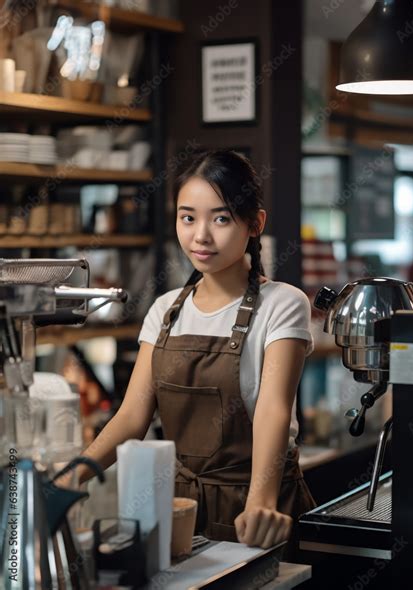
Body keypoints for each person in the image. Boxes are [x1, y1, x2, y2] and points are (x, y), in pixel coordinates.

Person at [73, 149, 316, 556]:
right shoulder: (166, 310)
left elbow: (273, 410)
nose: (201, 235)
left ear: (255, 224)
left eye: (220, 218)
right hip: (180, 507)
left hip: (258, 509)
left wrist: (261, 501)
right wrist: (74, 473)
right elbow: (132, 417)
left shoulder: (283, 303)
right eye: (188, 217)